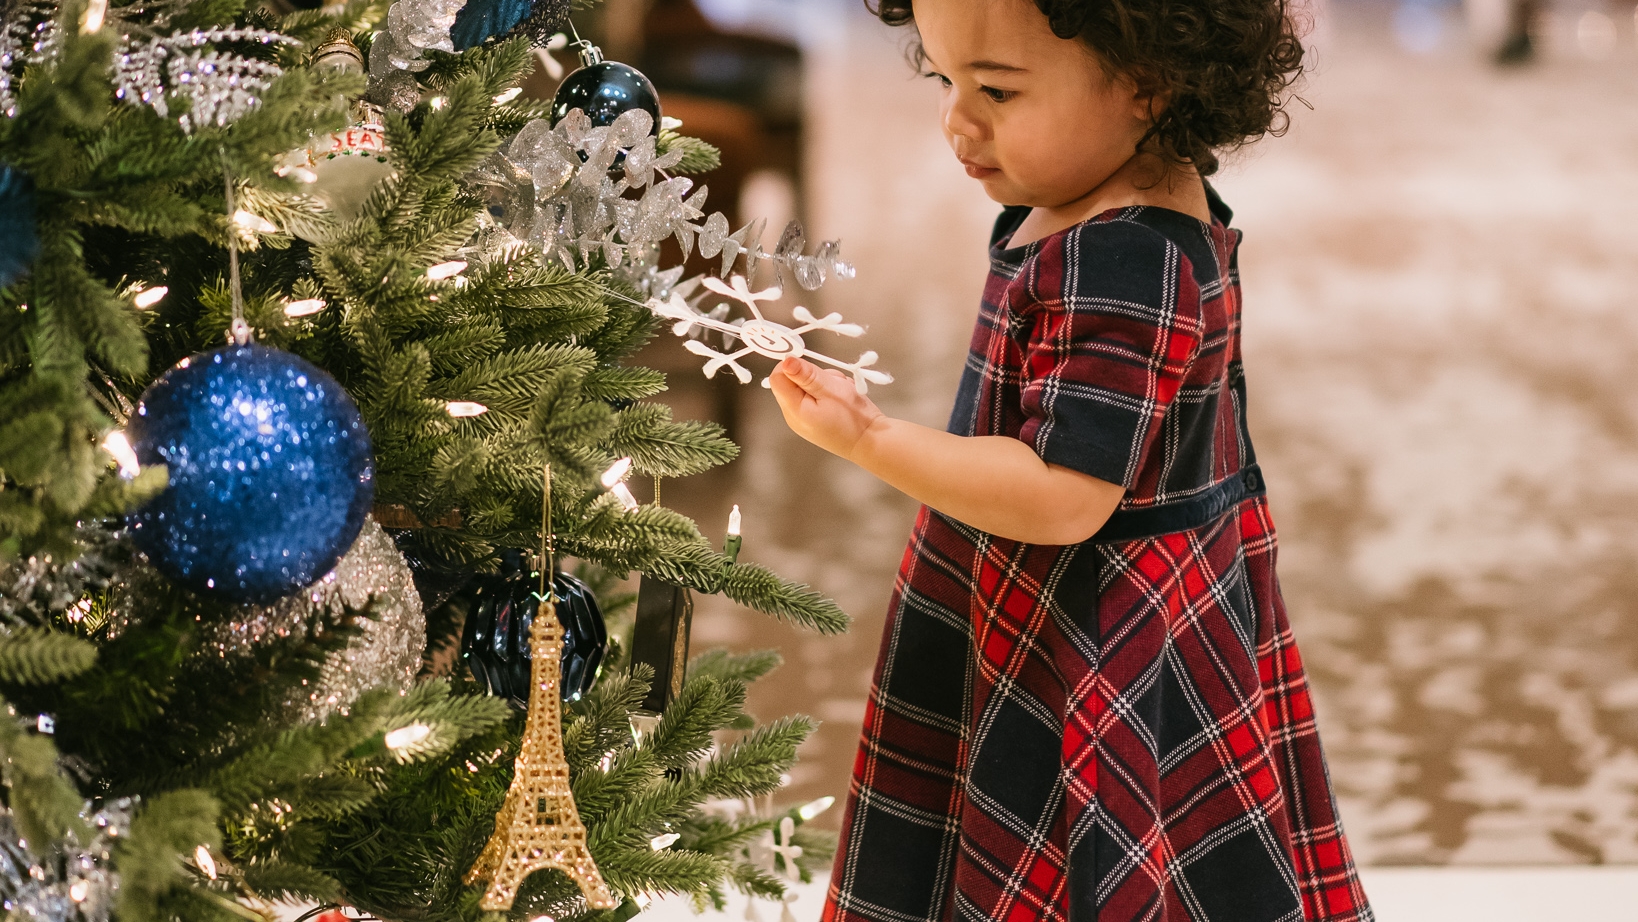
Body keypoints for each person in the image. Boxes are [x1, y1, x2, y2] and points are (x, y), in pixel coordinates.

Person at [766, 0, 1374, 919]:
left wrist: (869, 439)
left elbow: (1065, 498)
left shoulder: (1125, 258)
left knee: (1083, 857)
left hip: (1088, 636)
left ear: (1148, 83)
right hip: (1112, 605)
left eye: (998, 90)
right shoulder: (1093, 204)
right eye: (946, 80)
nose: (958, 121)